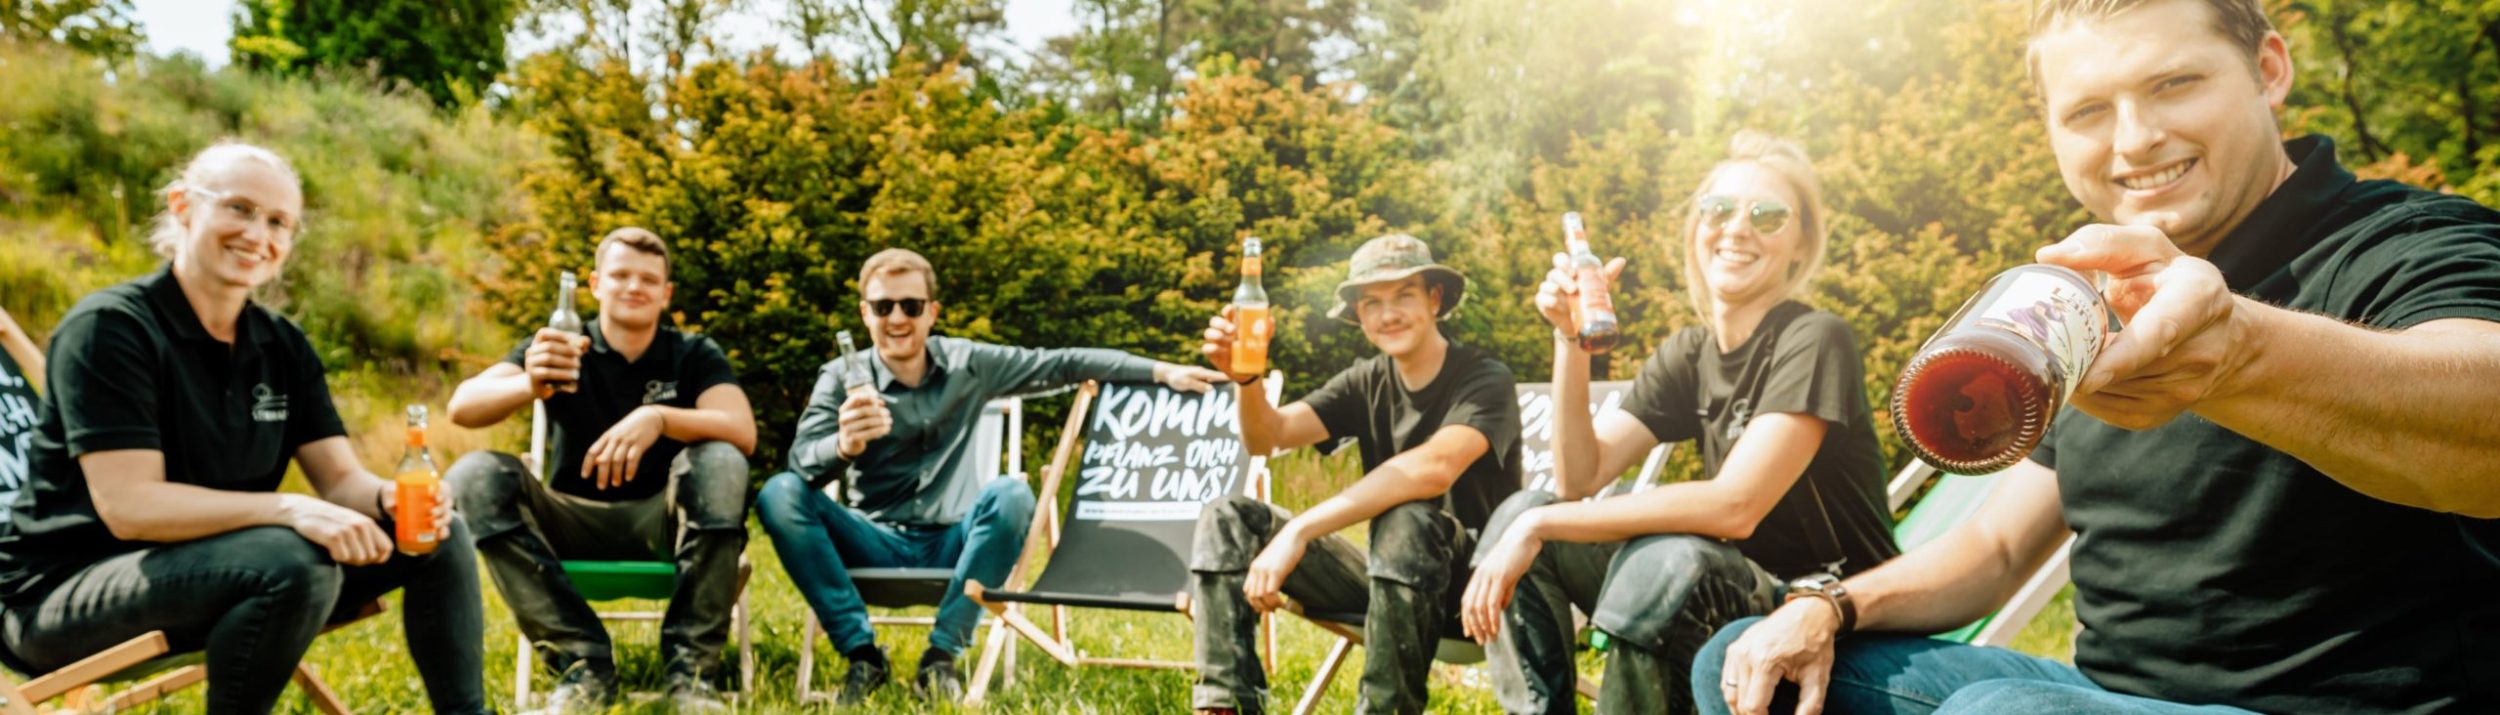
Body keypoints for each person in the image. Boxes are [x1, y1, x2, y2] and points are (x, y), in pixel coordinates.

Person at [1699, 1, 2500, 713]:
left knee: (2006, 712)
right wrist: (1829, 604)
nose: (2135, 138)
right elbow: (1997, 548)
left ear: (2269, 70)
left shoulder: (2408, 240)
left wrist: (2240, 352)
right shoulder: (2083, 304)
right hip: (2103, 695)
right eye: (2088, 110)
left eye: (2174, 83)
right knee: (1746, 660)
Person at [0, 142, 484, 714]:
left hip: (223, 569)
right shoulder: (110, 328)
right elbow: (130, 507)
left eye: (279, 222)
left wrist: (387, 498)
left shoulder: (281, 345)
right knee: (289, 559)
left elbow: (340, 481)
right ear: (182, 206)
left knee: (432, 532)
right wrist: (289, 509)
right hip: (59, 596)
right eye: (239, 208)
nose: (258, 234)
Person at [1460, 133, 1900, 715]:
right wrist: (1570, 340)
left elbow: (1735, 506)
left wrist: (1543, 522)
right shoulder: (1689, 354)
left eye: (1767, 216)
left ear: (1800, 245)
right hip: (1732, 593)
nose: (1737, 229)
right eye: (1719, 209)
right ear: (1697, 228)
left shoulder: (1815, 338)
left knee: (1666, 559)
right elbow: (1579, 478)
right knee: (1521, 511)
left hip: (1826, 611)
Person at [757, 248, 1227, 703]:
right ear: (865, 313)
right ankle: (863, 655)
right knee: (777, 492)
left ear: (932, 312)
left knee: (1011, 493)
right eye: (883, 306)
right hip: (871, 539)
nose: (897, 317)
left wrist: (1159, 371)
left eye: (911, 305)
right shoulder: (841, 376)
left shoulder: (969, 363)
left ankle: (941, 658)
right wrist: (844, 445)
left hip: (955, 542)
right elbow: (800, 467)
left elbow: (1061, 363)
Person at [1190, 234, 1524, 715]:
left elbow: (1434, 469)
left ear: (1435, 299)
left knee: (1407, 517)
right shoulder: (1365, 380)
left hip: (1475, 591)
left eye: (1404, 296)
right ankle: (1224, 706)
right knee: (1229, 517)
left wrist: (1301, 530)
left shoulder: (1484, 378)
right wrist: (1247, 379)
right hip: (1391, 583)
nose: (1388, 315)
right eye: (1372, 303)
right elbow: (1267, 437)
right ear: (1360, 317)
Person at [444, 227, 758, 713]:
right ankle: (583, 666)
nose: (634, 287)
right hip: (570, 520)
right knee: (472, 475)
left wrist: (658, 417)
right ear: (595, 284)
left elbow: (741, 429)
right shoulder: (561, 346)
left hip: (663, 523)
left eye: (648, 279)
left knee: (721, 459)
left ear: (666, 293)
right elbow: (462, 406)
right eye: (620, 275)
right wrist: (530, 384)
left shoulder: (692, 354)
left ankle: (691, 676)